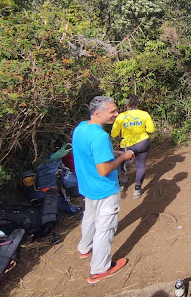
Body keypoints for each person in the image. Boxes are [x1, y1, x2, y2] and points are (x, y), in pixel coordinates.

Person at [72, 96, 135, 284]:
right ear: (97, 113)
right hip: (105, 189)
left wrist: (114, 153)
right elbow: (104, 169)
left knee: (89, 218)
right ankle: (100, 268)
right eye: (112, 112)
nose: (116, 114)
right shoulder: (100, 136)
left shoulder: (81, 128)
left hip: (87, 186)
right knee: (105, 228)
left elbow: (91, 155)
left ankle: (84, 248)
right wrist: (123, 157)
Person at [110, 94, 155, 199]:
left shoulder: (121, 117)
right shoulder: (144, 114)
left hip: (127, 145)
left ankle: (121, 185)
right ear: (137, 103)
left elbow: (114, 134)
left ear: (127, 104)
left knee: (122, 165)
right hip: (143, 143)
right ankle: (137, 189)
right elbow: (151, 130)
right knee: (140, 165)